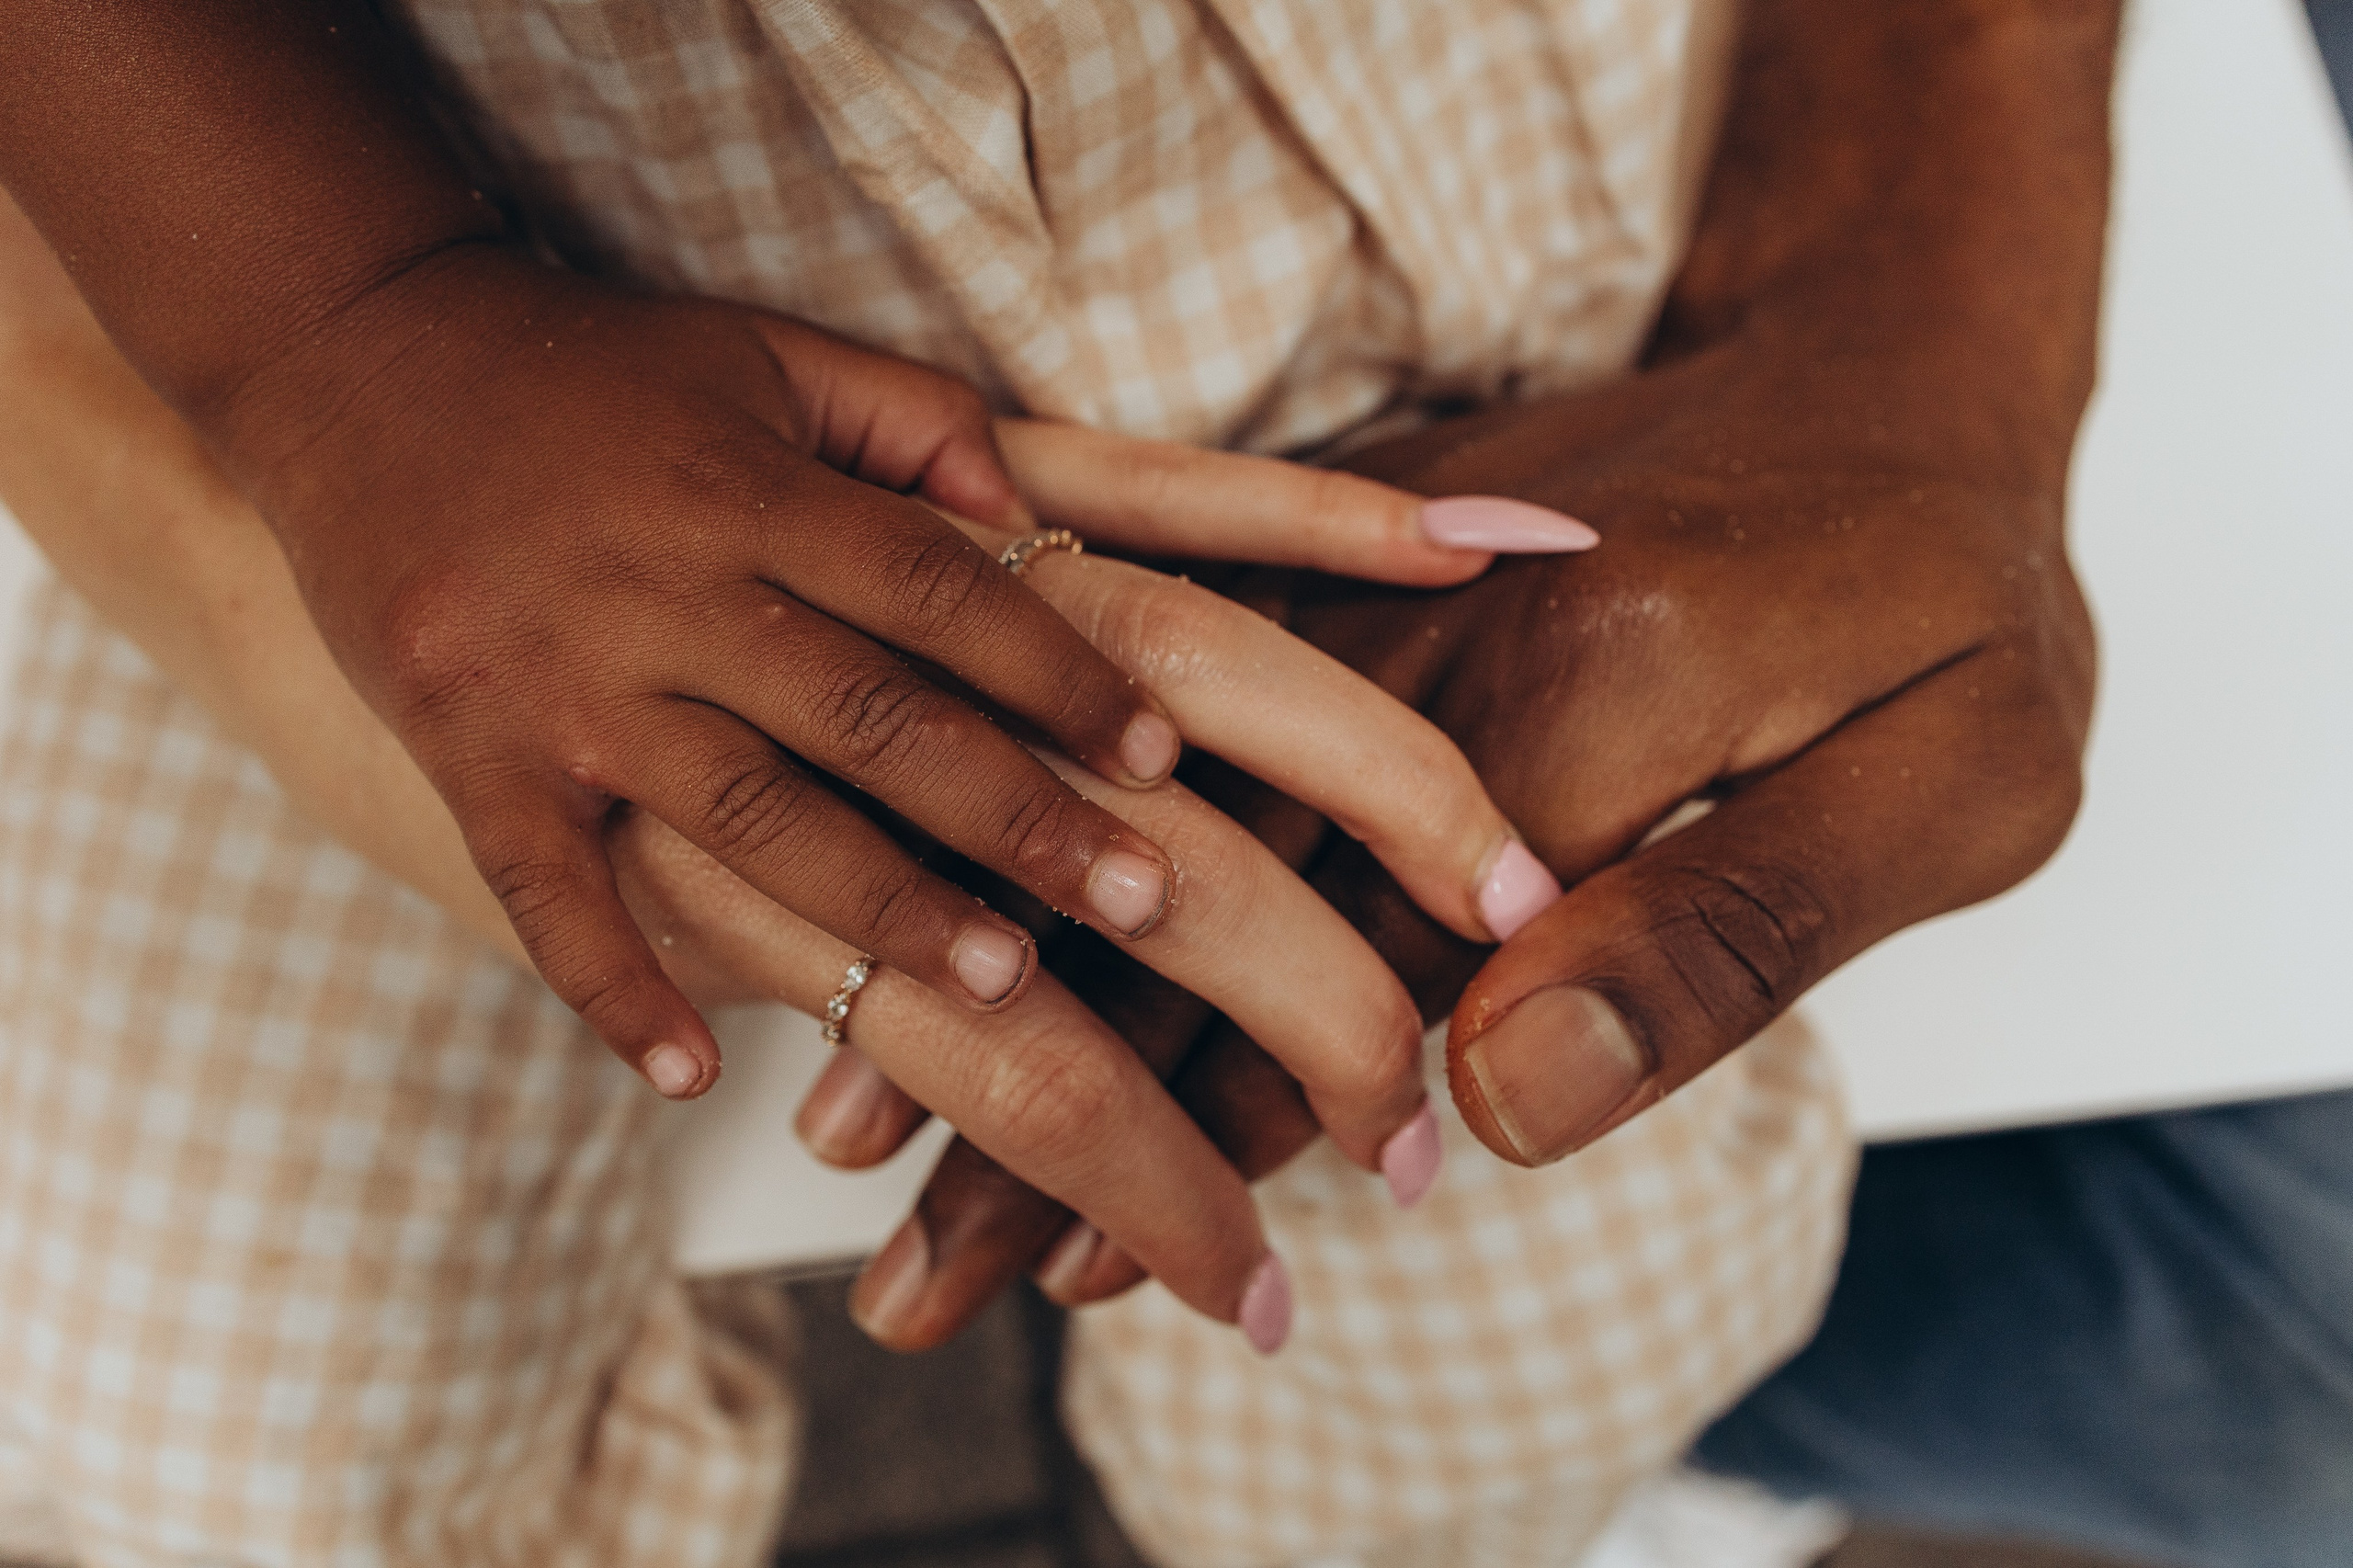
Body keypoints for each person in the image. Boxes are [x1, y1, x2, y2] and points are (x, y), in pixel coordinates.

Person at [0, 0, 2140, 1564]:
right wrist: (348, 334)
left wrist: (1916, 326)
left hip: (1438, 330)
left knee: (1542, 1343)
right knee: (212, 1426)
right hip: (435, 344)